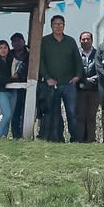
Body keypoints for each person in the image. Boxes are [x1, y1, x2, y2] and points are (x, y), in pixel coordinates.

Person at [37, 14, 82, 142]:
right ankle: (57, 138)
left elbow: (77, 61)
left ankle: (75, 139)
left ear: (64, 25)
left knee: (72, 113)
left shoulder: (70, 41)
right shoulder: (45, 41)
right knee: (54, 113)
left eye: (60, 24)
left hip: (69, 84)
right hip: (52, 85)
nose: (58, 27)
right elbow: (41, 61)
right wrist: (47, 78)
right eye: (55, 25)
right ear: (51, 26)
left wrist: (77, 76)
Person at [0, 39, 20, 138]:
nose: (3, 50)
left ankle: (4, 137)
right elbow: (0, 78)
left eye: (5, 47)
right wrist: (12, 78)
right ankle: (0, 136)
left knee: (9, 117)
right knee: (7, 114)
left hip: (12, 91)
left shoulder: (12, 61)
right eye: (0, 48)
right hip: (0, 92)